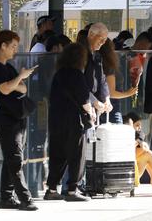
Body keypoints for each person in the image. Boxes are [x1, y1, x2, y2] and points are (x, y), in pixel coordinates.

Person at [0, 30, 38, 211]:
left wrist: (17, 82)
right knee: (15, 158)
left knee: (13, 158)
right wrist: (19, 79)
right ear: (2, 46)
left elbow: (23, 89)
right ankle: (25, 198)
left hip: (17, 117)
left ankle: (6, 197)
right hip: (5, 119)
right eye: (13, 46)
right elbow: (5, 89)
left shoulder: (8, 67)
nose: (15, 50)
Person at [44, 43, 95, 202]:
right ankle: (72, 189)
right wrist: (91, 113)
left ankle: (52, 189)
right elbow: (84, 99)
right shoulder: (77, 74)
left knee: (57, 154)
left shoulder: (58, 74)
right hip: (73, 120)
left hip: (56, 119)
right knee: (76, 155)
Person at [99, 39, 138, 124]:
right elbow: (111, 93)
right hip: (112, 108)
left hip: (107, 107)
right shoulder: (108, 66)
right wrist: (128, 93)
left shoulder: (103, 64)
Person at [123, 111, 152, 185]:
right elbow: (143, 148)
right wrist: (139, 144)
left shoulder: (139, 135)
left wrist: (138, 142)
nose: (140, 128)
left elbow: (142, 137)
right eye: (137, 125)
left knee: (147, 153)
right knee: (147, 152)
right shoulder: (122, 139)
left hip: (134, 174)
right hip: (126, 176)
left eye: (140, 125)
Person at [85, 23, 112, 119]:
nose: (103, 42)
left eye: (105, 40)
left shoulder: (97, 56)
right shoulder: (80, 53)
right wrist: (93, 101)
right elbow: (77, 83)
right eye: (101, 39)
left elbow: (102, 79)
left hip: (92, 104)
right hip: (81, 103)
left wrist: (106, 98)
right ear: (91, 34)